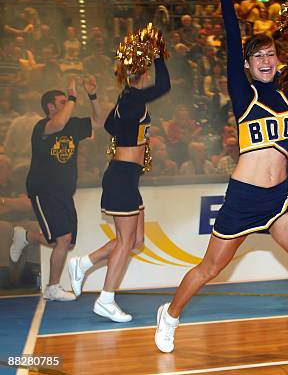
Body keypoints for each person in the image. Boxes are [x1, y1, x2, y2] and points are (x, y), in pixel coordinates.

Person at [153, 0, 288, 367]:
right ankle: (170, 315)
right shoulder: (244, 94)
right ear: (247, 64)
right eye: (257, 55)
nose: (265, 60)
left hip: (279, 201)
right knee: (209, 269)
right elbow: (230, 37)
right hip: (244, 199)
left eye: (271, 54)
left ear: (278, 60)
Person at [68, 54, 171, 321]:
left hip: (127, 177)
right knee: (126, 242)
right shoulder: (132, 99)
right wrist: (158, 56)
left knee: (136, 240)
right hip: (121, 176)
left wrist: (93, 97)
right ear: (143, 74)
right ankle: (106, 299)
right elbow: (165, 87)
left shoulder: (125, 101)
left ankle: (83, 263)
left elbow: (107, 126)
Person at [9, 77, 102, 301]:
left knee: (64, 241)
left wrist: (93, 95)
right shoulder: (43, 126)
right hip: (44, 189)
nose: (68, 105)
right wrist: (72, 95)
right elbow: (59, 124)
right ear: (51, 107)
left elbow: (99, 121)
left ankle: (26, 236)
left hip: (64, 192)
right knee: (62, 238)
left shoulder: (74, 125)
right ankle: (52, 287)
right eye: (62, 102)